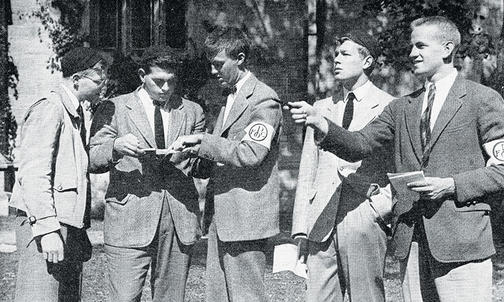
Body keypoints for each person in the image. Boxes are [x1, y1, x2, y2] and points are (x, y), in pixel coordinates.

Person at [288, 16, 504, 302]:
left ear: (447, 49)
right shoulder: (401, 107)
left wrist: (451, 185)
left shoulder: (482, 99)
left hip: (463, 242)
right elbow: (359, 144)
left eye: (421, 46)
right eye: (412, 46)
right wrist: (323, 124)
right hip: (411, 242)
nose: (412, 53)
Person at [169, 27, 283, 302]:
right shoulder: (229, 99)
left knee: (246, 297)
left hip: (246, 220)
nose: (212, 71)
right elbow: (221, 156)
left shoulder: (264, 100)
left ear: (240, 58)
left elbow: (251, 154)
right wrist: (187, 156)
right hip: (223, 218)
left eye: (218, 64)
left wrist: (204, 141)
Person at [89, 46, 205, 302]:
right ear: (142, 75)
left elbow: (200, 167)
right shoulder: (114, 108)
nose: (165, 88)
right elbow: (93, 158)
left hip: (178, 220)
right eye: (158, 81)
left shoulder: (193, 111)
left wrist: (198, 150)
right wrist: (115, 147)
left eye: (171, 81)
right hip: (128, 219)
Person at [290, 30, 394, 302]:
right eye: (335, 54)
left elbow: (397, 165)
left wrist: (380, 209)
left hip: (363, 218)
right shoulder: (321, 107)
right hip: (320, 221)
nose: (336, 60)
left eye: (345, 54)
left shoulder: (389, 107)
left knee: (366, 298)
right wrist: (301, 229)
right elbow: (307, 171)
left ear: (367, 61)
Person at [10, 47, 108, 302]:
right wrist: (47, 229)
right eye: (98, 80)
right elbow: (33, 175)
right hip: (48, 226)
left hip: (67, 227)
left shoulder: (74, 113)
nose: (102, 86)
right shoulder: (50, 108)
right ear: (76, 79)